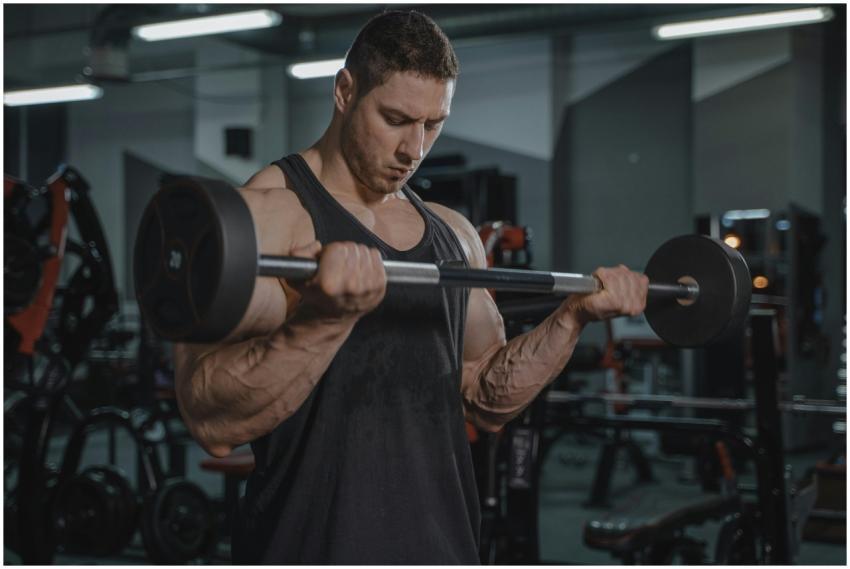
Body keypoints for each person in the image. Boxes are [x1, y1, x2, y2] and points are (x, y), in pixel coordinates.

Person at [174, 10, 648, 564]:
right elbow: (213, 421)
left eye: (433, 123)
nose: (414, 149)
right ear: (345, 92)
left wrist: (572, 319)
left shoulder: (454, 235)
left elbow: (485, 398)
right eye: (396, 119)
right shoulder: (268, 217)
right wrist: (325, 321)